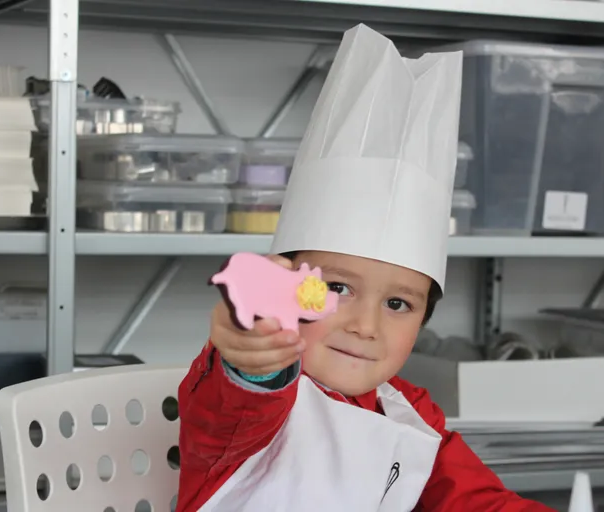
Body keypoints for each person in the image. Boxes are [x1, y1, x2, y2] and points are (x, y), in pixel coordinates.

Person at [176, 24, 555, 511]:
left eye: (398, 303)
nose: (365, 326)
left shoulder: (411, 415)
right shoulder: (254, 406)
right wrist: (253, 348)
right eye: (337, 287)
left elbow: (479, 503)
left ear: (423, 319)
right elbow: (240, 391)